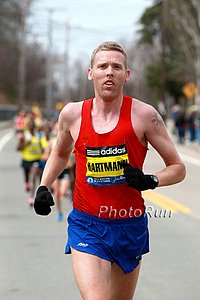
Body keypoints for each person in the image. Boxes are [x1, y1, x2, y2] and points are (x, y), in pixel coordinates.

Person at [33, 41, 186, 299]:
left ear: (126, 75)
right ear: (91, 72)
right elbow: (60, 153)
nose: (109, 72)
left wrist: (151, 180)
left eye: (116, 67)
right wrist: (43, 185)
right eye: (102, 66)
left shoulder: (144, 115)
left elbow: (178, 167)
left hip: (129, 224)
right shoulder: (72, 114)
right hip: (87, 224)